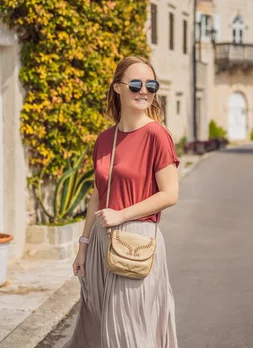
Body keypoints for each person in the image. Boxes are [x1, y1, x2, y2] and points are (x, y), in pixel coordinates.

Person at [64, 56, 180, 348]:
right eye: (136, 84)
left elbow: (170, 194)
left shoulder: (157, 135)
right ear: (117, 87)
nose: (144, 91)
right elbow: (97, 196)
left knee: (129, 333)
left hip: (136, 241)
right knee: (100, 327)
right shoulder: (105, 139)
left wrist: (121, 215)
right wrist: (83, 247)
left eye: (151, 85)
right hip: (101, 243)